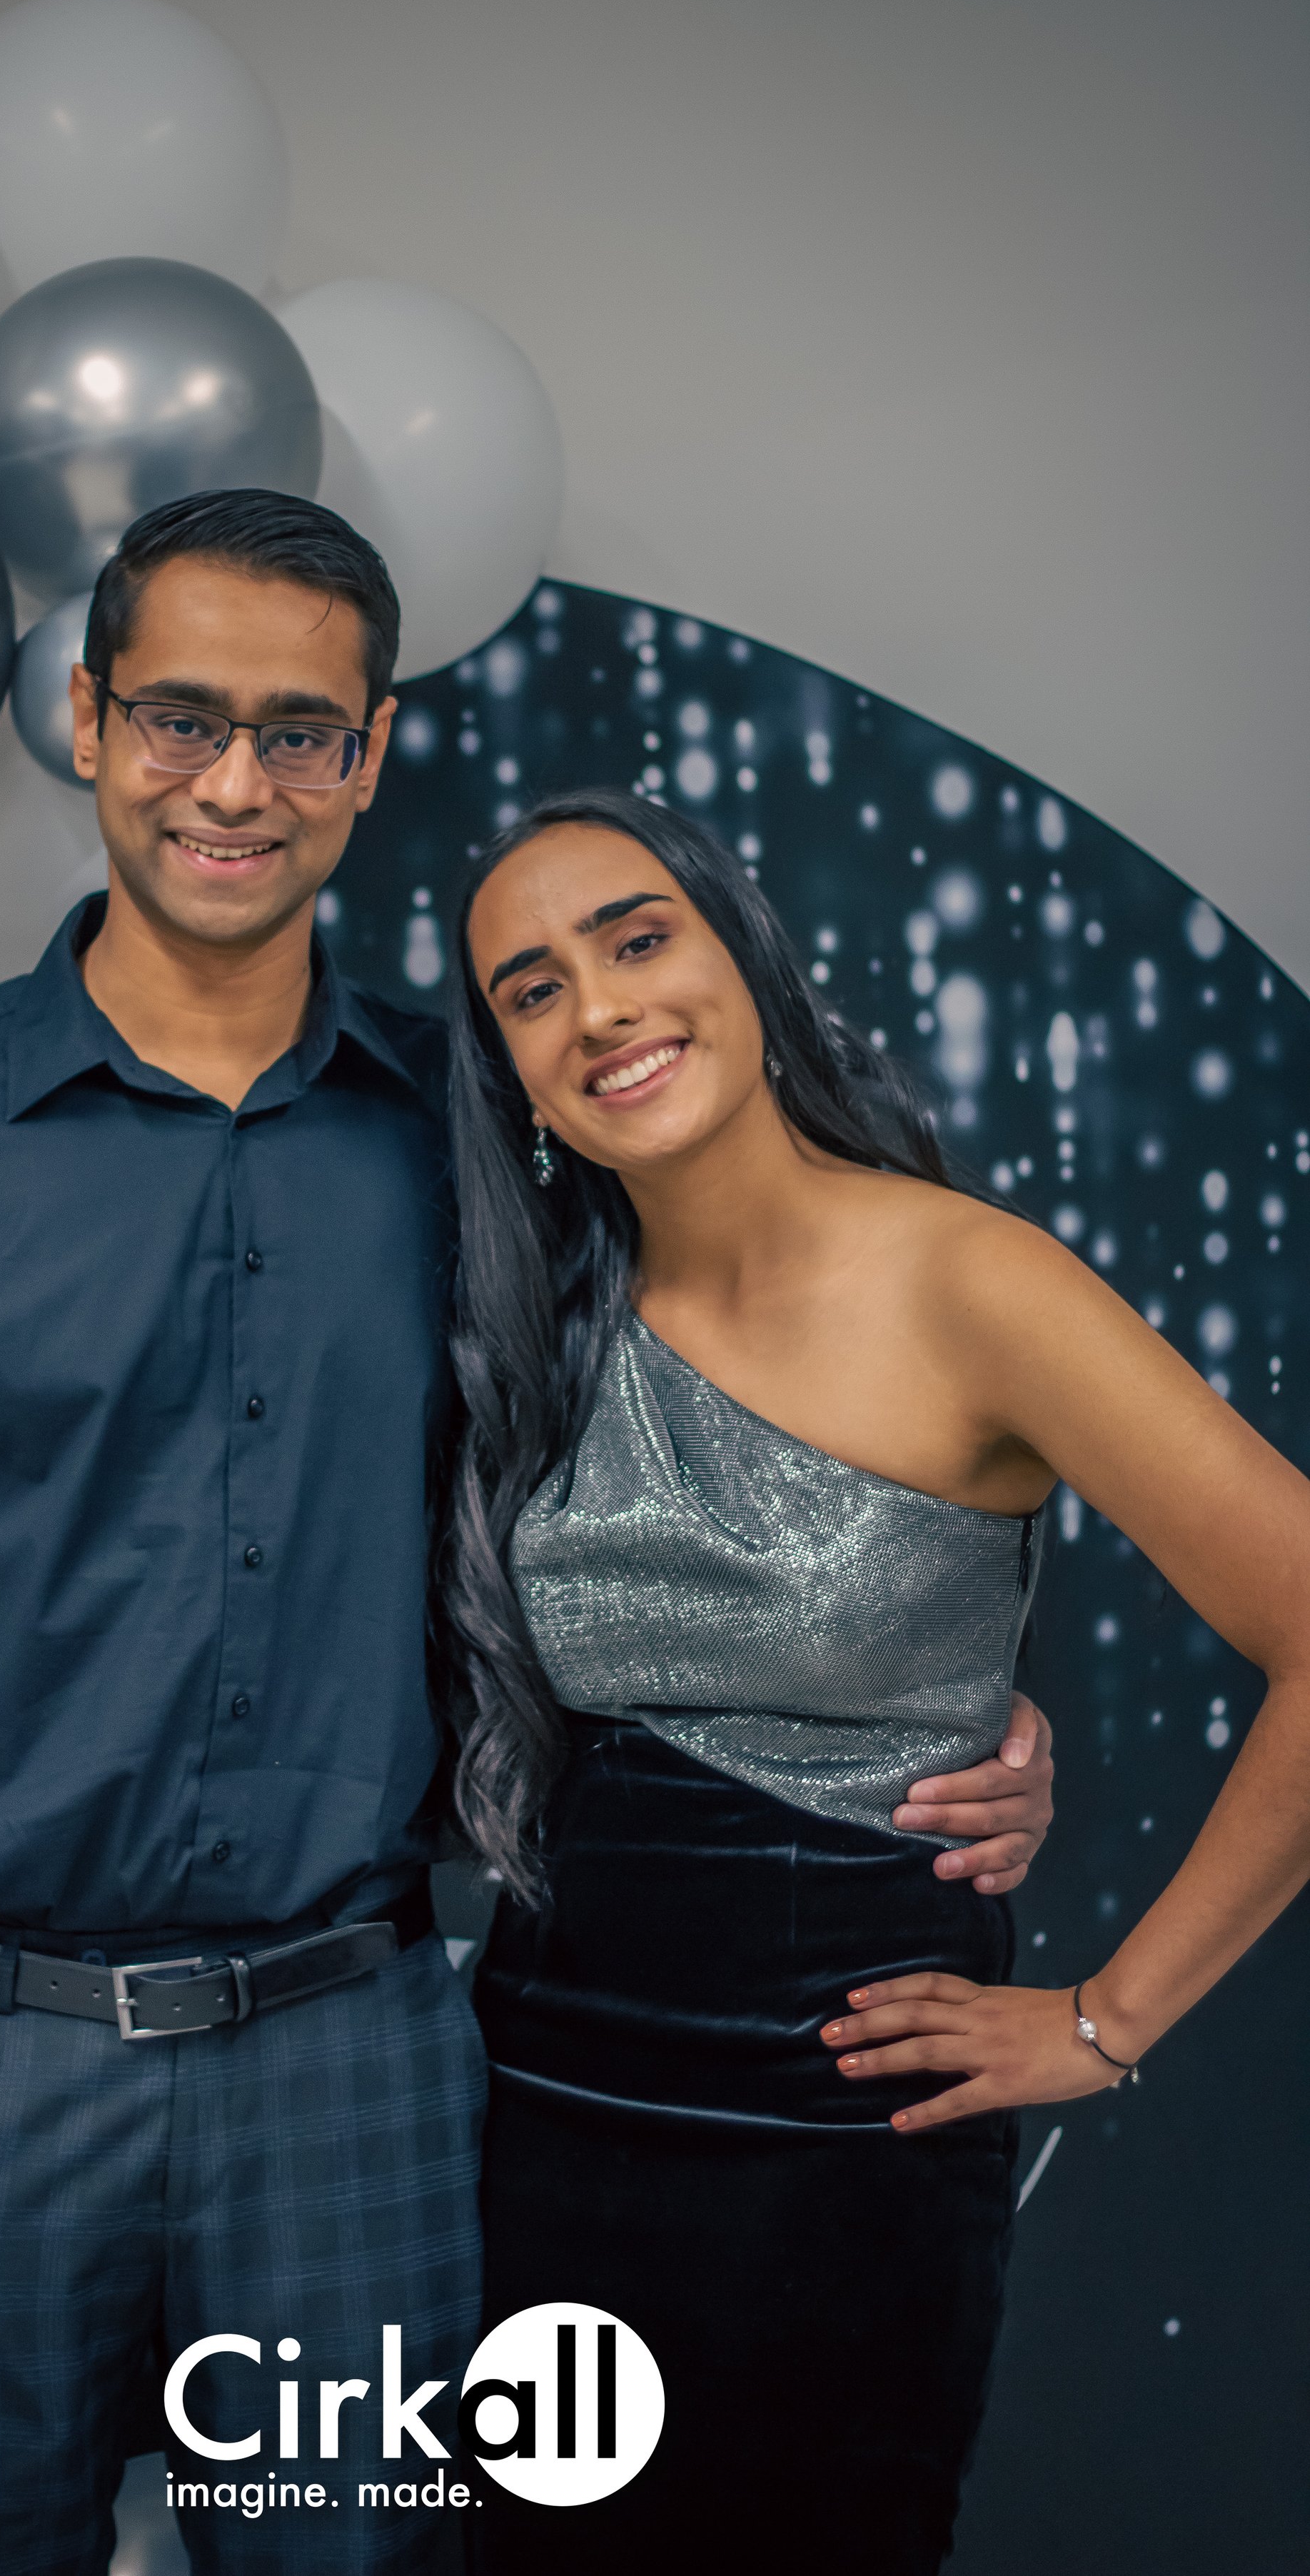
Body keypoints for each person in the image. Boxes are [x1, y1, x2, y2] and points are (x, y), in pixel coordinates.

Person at [0, 500, 1052, 2576]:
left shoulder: (487, 1127)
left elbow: (738, 1421)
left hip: (353, 2073)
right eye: (182, 717)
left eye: (299, 731)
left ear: (370, 754)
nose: (234, 782)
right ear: (95, 723)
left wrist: (942, 1676)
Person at [443, 788, 1310, 2575]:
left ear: (742, 962)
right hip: (535, 2107)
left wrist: (1105, 2017)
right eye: (529, 991)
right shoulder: (535, 1317)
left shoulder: (968, 1277)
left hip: (834, 2138)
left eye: (633, 939)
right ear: (511, 1074)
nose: (596, 1009)